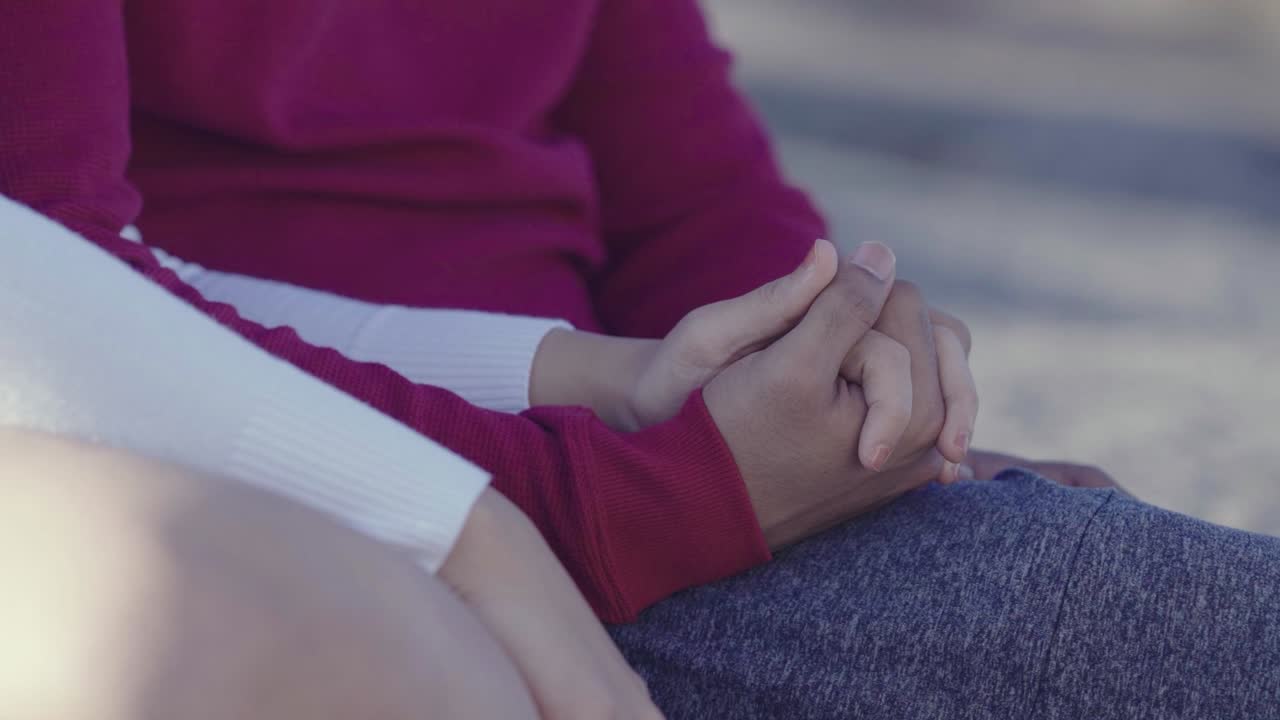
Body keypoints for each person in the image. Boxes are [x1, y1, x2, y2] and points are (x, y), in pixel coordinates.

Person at [1, 3, 1276, 718]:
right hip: (327, 484)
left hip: (621, 463)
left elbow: (678, 160)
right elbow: (62, 283)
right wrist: (631, 499)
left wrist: (828, 356)